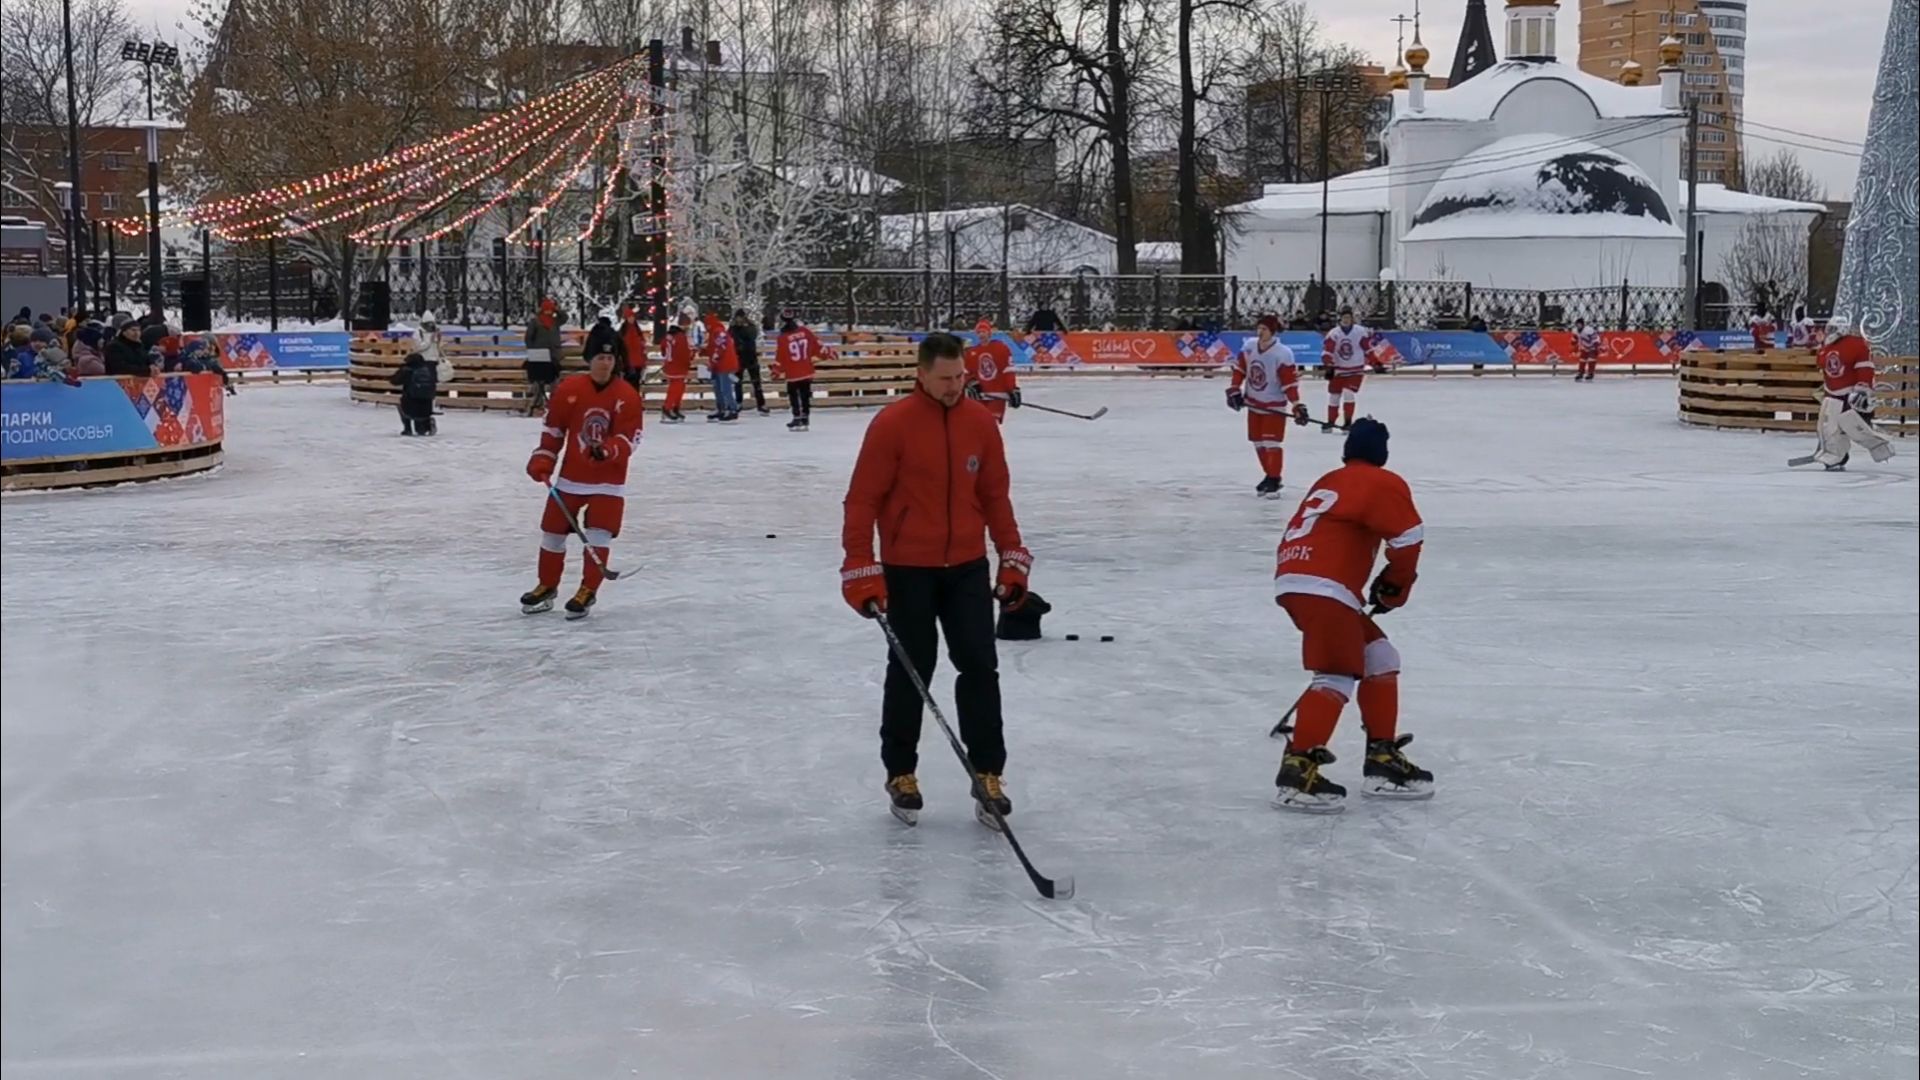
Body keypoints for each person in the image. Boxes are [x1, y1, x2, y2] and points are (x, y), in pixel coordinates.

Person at [841, 332, 1033, 828]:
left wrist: (1011, 555)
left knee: (979, 667)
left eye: (961, 377)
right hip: (909, 569)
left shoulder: (981, 425)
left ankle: (988, 772)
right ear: (921, 375)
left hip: (967, 566)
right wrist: (861, 567)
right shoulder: (892, 425)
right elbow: (861, 501)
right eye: (946, 379)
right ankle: (901, 772)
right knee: (912, 670)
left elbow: (995, 497)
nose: (955, 386)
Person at [1271, 417, 1432, 812]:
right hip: (1325, 587)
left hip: (1297, 580)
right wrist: (1395, 588)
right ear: (1383, 453)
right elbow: (1408, 538)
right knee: (1336, 674)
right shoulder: (1381, 481)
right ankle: (1298, 772)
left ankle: (1381, 760)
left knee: (1380, 657)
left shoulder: (1330, 480)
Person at [521, 345, 643, 619]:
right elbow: (553, 430)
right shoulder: (569, 390)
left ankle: (587, 589)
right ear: (590, 360)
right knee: (552, 533)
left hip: (609, 482)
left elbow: (631, 437)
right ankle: (547, 586)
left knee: (599, 534)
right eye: (600, 357)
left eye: (610, 358)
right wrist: (543, 458)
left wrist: (609, 450)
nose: (605, 364)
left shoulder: (626, 395)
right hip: (571, 478)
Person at [1226, 314, 1311, 497]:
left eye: (1264, 329)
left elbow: (1289, 382)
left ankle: (1274, 478)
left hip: (1273, 406)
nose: (1260, 332)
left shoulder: (1283, 353)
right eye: (1259, 328)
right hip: (1254, 403)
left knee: (1271, 442)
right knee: (1258, 443)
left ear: (1272, 331)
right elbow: (1240, 369)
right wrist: (1234, 388)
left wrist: (1296, 404)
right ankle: (1270, 476)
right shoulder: (1249, 347)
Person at [1806, 316, 1895, 471]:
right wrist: (1825, 390)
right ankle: (1835, 456)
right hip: (1832, 396)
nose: (1829, 332)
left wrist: (1863, 389)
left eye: (1832, 329)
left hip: (1850, 395)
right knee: (1827, 427)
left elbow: (1865, 368)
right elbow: (1826, 370)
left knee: (1854, 428)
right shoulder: (1826, 348)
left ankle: (1882, 448)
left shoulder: (1856, 345)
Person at [1321, 307, 1384, 430]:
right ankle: (1330, 421)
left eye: (1348, 317)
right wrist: (1329, 366)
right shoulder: (1334, 333)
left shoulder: (1360, 332)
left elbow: (1368, 349)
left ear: (1352, 319)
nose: (1346, 320)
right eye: (1344, 317)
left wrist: (1376, 363)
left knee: (1348, 393)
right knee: (1334, 396)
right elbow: (1327, 351)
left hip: (1355, 370)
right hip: (1339, 370)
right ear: (1340, 318)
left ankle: (1348, 422)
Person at [773, 309, 833, 431]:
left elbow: (781, 356)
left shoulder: (783, 338)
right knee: (805, 395)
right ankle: (805, 418)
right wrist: (827, 353)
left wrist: (777, 370)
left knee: (794, 395)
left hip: (793, 371)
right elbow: (817, 346)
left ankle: (796, 417)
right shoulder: (805, 332)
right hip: (806, 369)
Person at [963, 318, 1021, 423]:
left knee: (991, 424)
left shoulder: (1001, 348)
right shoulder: (972, 353)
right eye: (979, 332)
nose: (981, 335)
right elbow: (967, 373)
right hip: (980, 395)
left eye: (984, 332)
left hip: (998, 395)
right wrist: (971, 383)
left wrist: (1012, 389)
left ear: (989, 333)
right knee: (979, 425)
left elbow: (1008, 370)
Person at [524, 298, 564, 416]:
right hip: (539, 357)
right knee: (537, 381)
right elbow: (528, 338)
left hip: (554, 356)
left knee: (554, 381)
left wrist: (557, 309)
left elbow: (565, 317)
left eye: (550, 310)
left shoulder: (556, 321)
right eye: (547, 310)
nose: (548, 313)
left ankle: (553, 403)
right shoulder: (535, 322)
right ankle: (538, 404)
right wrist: (533, 350)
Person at [388, 351, 439, 435]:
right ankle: (428, 425)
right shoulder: (429, 368)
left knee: (402, 406)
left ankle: (407, 429)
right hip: (427, 403)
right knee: (421, 431)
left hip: (410, 402)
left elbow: (394, 381)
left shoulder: (407, 369)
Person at [702, 309, 740, 422]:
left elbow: (721, 347)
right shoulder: (714, 332)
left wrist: (713, 359)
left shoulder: (719, 331)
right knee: (718, 388)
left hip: (725, 364)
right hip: (718, 365)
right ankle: (721, 408)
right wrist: (705, 351)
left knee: (725, 388)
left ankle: (732, 409)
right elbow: (714, 347)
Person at [730, 308, 768, 416]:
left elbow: (751, 337)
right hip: (738, 358)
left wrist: (742, 331)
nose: (739, 320)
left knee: (756, 382)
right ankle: (738, 402)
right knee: (738, 382)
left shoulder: (750, 327)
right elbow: (732, 338)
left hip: (750, 357)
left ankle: (761, 404)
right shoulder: (733, 328)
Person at [659, 310, 693, 422]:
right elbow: (683, 353)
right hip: (678, 366)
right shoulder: (681, 337)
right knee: (676, 388)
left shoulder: (670, 335)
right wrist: (689, 361)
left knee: (678, 387)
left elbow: (663, 347)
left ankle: (674, 407)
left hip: (670, 365)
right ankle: (668, 408)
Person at [417, 311, 454, 385]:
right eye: (428, 323)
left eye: (432, 323)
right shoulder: (418, 332)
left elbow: (438, 346)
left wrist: (439, 340)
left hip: (435, 361)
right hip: (424, 361)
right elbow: (418, 347)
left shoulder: (435, 331)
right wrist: (430, 341)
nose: (430, 325)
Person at [617, 305, 649, 390]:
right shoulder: (624, 330)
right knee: (628, 384)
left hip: (637, 361)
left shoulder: (636, 330)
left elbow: (642, 344)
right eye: (630, 317)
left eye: (632, 317)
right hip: (628, 362)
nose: (631, 319)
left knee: (635, 384)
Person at [1574, 318, 1601, 382]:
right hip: (1585, 346)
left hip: (1593, 346)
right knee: (1582, 360)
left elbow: (1595, 338)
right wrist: (1580, 347)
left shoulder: (1588, 330)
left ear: (1582, 324)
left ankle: (1590, 373)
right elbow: (1579, 340)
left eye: (1579, 324)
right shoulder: (1578, 331)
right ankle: (1580, 373)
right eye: (1577, 325)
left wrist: (1595, 347)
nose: (1578, 326)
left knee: (1591, 360)